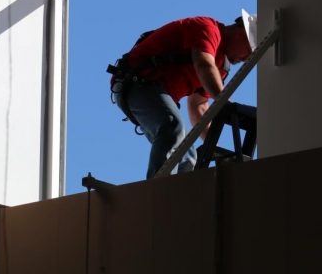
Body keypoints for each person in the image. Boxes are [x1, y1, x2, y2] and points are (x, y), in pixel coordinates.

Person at [108, 10, 257, 179]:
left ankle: (178, 196)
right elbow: (204, 65)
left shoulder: (221, 66)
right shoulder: (208, 29)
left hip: (154, 91)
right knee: (172, 127)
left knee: (187, 154)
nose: (246, 58)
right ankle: (157, 189)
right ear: (241, 31)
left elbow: (198, 106)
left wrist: (212, 144)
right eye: (249, 50)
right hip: (137, 82)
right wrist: (225, 102)